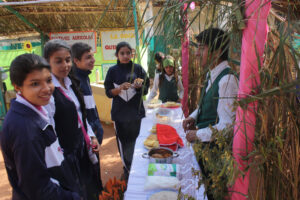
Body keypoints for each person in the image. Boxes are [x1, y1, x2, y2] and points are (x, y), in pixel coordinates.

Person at [0, 54, 81, 200]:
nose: (47, 89)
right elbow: (38, 189)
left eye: (49, 80)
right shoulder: (24, 128)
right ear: (17, 86)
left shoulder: (35, 109)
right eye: (35, 84)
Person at [182, 28, 239, 200]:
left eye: (202, 48)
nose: (197, 53)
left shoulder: (226, 80)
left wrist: (197, 134)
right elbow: (207, 104)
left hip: (215, 157)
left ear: (218, 51)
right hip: (205, 150)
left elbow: (227, 127)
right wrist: (193, 116)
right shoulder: (212, 74)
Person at [44, 39, 102, 200]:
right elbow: (51, 129)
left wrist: (91, 136)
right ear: (47, 63)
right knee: (77, 192)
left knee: (91, 188)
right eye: (58, 61)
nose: (65, 65)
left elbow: (81, 115)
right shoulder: (49, 92)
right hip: (67, 154)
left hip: (82, 147)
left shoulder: (71, 83)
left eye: (67, 60)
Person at [104, 41, 149, 180]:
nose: (125, 56)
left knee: (138, 142)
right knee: (124, 144)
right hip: (121, 116)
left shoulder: (138, 69)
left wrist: (139, 87)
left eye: (128, 53)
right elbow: (108, 92)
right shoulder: (112, 71)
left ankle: (139, 168)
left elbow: (146, 89)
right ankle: (128, 170)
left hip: (136, 114)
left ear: (132, 53)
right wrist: (119, 89)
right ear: (117, 55)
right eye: (122, 53)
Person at [71, 42, 104, 145]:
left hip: (94, 130)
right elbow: (80, 113)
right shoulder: (74, 81)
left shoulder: (85, 77)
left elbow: (91, 106)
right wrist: (92, 133)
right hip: (88, 135)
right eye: (88, 57)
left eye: (92, 56)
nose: (93, 60)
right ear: (76, 61)